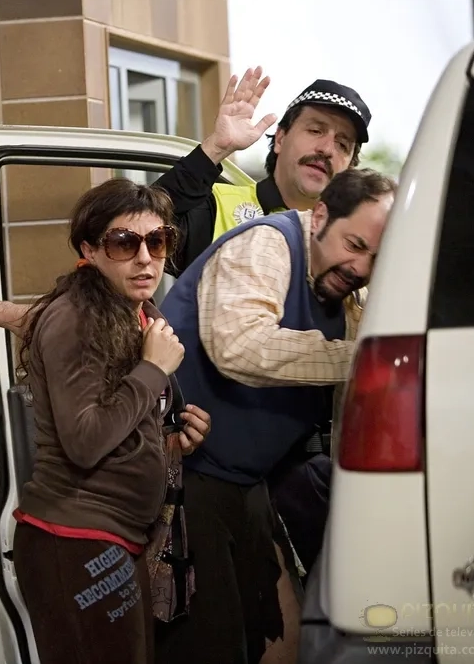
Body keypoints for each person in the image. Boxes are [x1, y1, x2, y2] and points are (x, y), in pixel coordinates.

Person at [154, 168, 396, 664]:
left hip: (248, 483)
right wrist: (363, 357)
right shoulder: (270, 243)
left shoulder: (348, 288)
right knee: (215, 646)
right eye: (354, 244)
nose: (361, 266)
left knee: (283, 638)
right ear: (321, 216)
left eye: (378, 258)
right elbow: (240, 345)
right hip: (186, 480)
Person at [9, 177, 212, 664]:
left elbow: (119, 421)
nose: (145, 258)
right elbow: (83, 440)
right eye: (125, 242)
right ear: (90, 249)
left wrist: (170, 437)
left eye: (157, 241)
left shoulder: (134, 312)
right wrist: (152, 370)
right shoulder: (74, 317)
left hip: (114, 537)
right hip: (75, 539)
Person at [156, 69, 372, 275]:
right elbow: (139, 228)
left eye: (342, 144)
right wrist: (217, 148)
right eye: (315, 130)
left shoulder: (352, 243)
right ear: (280, 138)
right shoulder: (219, 206)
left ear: (349, 169)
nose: (326, 149)